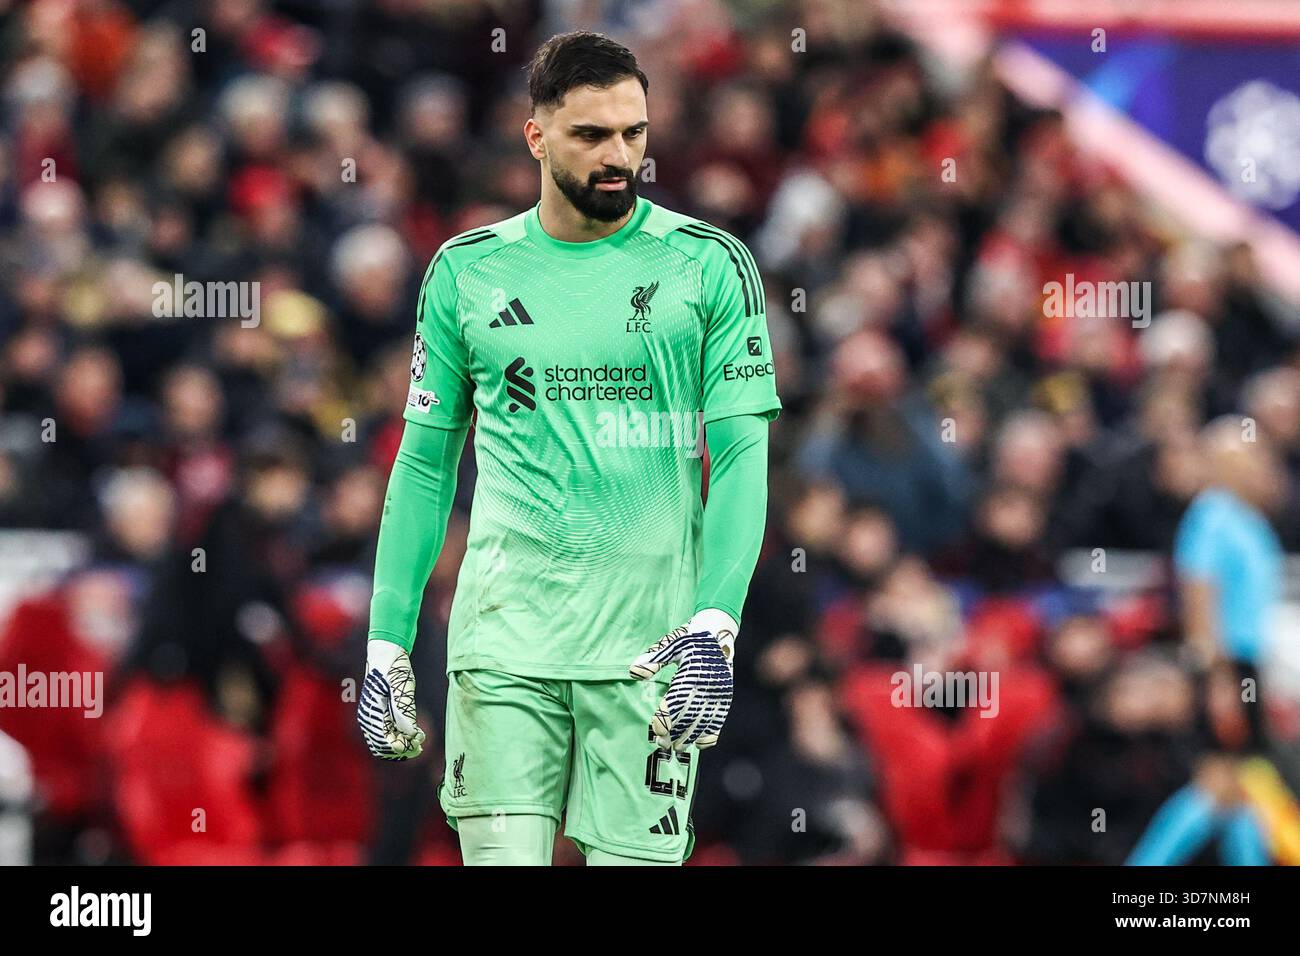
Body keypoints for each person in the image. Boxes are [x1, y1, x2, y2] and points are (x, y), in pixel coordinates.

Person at [356, 32, 779, 866]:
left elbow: (737, 456)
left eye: (634, 133)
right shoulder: (466, 273)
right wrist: (386, 642)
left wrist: (716, 625)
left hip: (653, 651)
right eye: (591, 136)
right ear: (537, 137)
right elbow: (425, 462)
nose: (618, 155)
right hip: (505, 640)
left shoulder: (709, 266)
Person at [1128, 416, 1284, 865]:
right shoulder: (1211, 515)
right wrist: (1216, 680)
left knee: (1242, 787)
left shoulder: (1245, 517)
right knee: (1216, 783)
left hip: (1244, 666)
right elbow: (1199, 604)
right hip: (1225, 667)